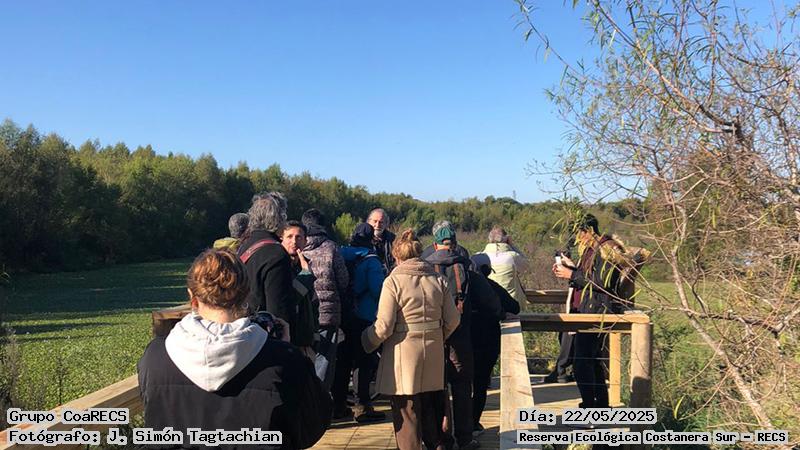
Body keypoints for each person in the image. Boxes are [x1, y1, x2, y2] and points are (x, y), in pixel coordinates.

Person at [137, 249, 331, 450]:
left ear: (192, 298)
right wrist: (286, 349)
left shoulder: (156, 356)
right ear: (245, 295)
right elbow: (312, 425)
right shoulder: (283, 358)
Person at [361, 229, 460, 450]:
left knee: (407, 414)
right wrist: (437, 336)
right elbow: (453, 319)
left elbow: (384, 326)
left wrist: (366, 341)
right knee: (431, 409)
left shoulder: (393, 282)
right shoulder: (438, 280)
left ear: (396, 256)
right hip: (433, 353)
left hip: (403, 355)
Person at [552, 213, 626, 409]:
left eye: (579, 234)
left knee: (582, 362)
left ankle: (591, 405)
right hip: (591, 309)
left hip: (598, 311)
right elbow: (589, 276)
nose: (578, 239)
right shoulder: (594, 249)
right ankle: (599, 405)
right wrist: (571, 269)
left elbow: (603, 282)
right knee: (590, 360)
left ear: (588, 231)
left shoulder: (607, 249)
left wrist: (572, 274)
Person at [424, 226, 486, 450]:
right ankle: (465, 438)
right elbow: (487, 297)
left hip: (433, 336)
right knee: (461, 387)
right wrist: (501, 312)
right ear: (455, 243)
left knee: (436, 388)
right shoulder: (466, 265)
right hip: (460, 335)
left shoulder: (425, 268)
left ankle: (441, 440)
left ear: (435, 244)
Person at [333, 223, 386, 423]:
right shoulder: (371, 260)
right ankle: (362, 406)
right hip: (364, 316)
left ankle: (338, 406)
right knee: (364, 361)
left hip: (343, 315)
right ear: (371, 239)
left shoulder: (340, 253)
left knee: (343, 360)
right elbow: (378, 290)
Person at [469, 255, 521, 436]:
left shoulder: (462, 287)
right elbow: (514, 307)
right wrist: (502, 312)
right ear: (488, 270)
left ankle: (459, 425)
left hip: (464, 341)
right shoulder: (492, 287)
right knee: (480, 384)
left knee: (461, 386)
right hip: (488, 342)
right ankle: (474, 423)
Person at [301, 208, 350, 390]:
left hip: (304, 312)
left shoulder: (296, 245)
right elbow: (343, 280)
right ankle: (320, 398)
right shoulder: (331, 247)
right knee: (325, 358)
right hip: (327, 312)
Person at [237, 193, 297, 329]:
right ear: (280, 217)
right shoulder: (276, 253)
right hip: (263, 333)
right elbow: (279, 310)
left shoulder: (244, 246)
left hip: (243, 327)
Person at [280, 220, 319, 359]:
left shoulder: (303, 265)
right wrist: (305, 275)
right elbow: (290, 300)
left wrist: (314, 337)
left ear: (305, 241)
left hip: (306, 344)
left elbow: (313, 304)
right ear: (281, 239)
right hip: (288, 341)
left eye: (298, 237)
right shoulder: (279, 267)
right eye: (289, 237)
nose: (294, 241)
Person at [477, 227, 529, 305]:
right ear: (506, 239)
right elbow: (526, 265)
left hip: (486, 305)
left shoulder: (478, 257)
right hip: (511, 304)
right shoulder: (512, 257)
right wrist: (512, 245)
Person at [367, 208, 396, 272]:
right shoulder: (362, 239)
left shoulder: (393, 240)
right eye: (375, 221)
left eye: (381, 222)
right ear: (369, 222)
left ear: (386, 224)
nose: (377, 225)